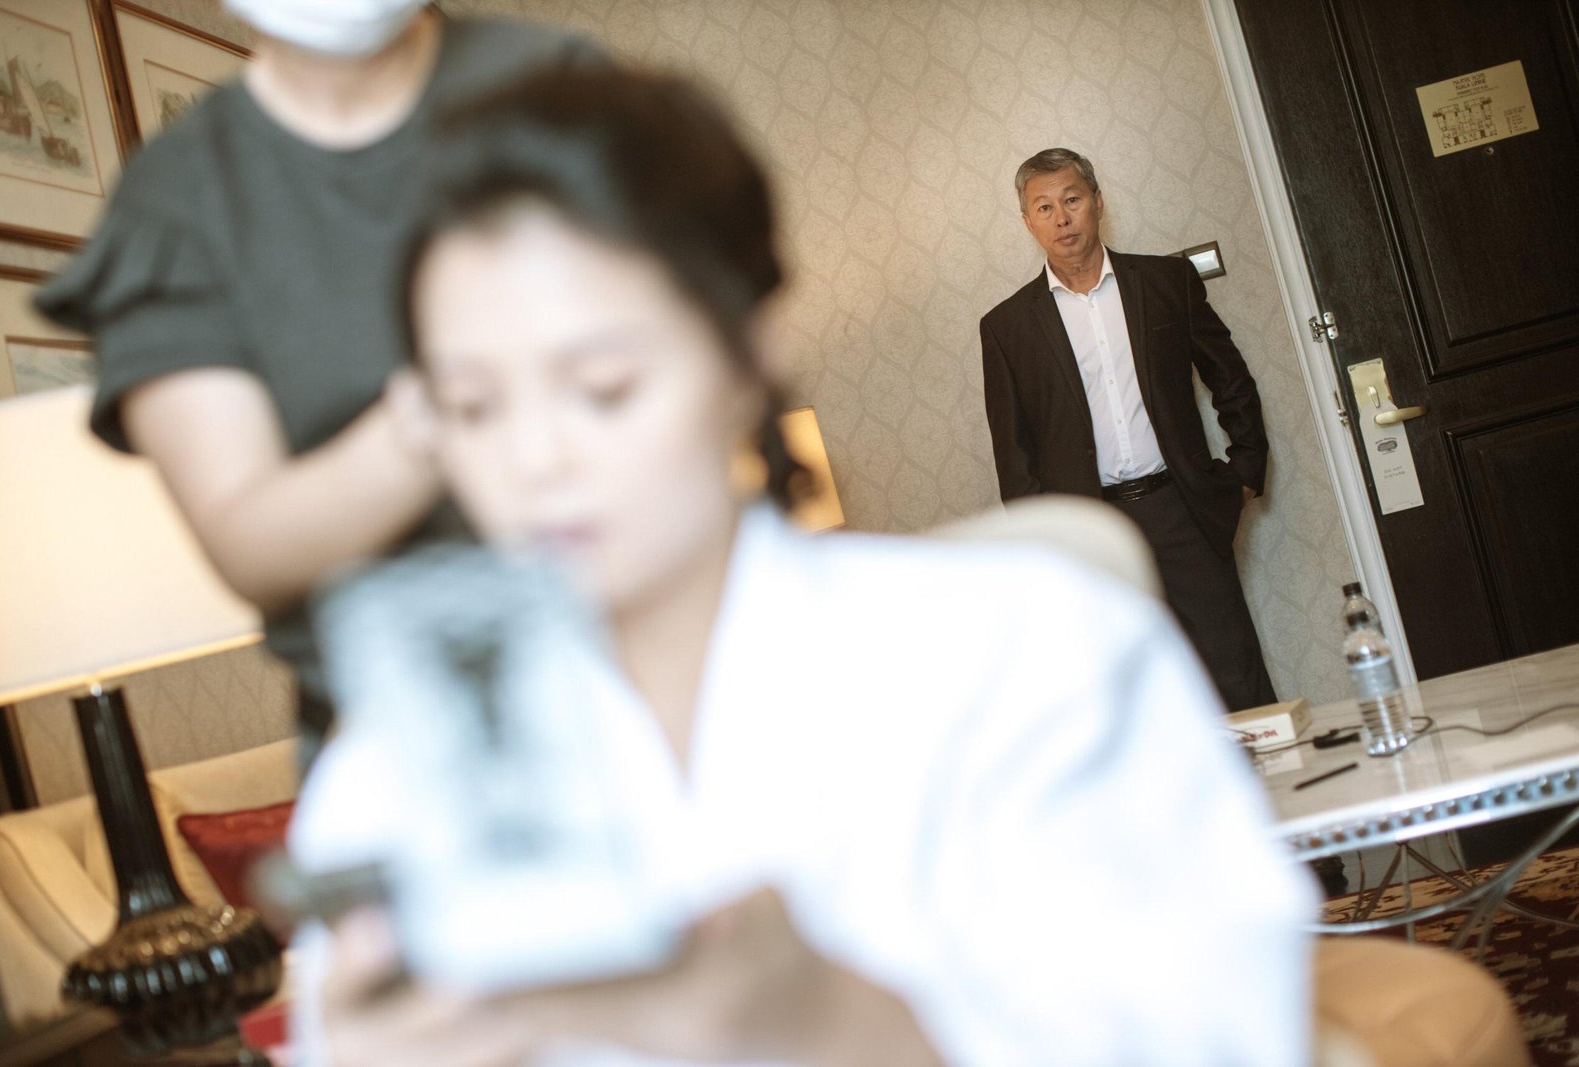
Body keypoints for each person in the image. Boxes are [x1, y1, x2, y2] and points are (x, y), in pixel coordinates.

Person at [285, 67, 1316, 1067]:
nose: (533, 458)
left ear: (745, 355)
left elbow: (1229, 1029)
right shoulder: (386, 782)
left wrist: (827, 1024)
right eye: (469, 406)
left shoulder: (1032, 651)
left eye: (600, 384)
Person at [34, 0, 601, 745]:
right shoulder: (177, 203)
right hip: (398, 733)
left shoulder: (563, 85)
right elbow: (251, 542)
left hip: (640, 662)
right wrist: (439, 409)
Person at [979, 148, 1276, 712]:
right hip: (1093, 533)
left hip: (1181, 508)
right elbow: (1012, 457)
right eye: (1044, 207)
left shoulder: (1165, 281)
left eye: (1071, 199)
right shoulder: (1006, 328)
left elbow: (1230, 377)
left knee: (1236, 679)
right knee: (1138, 700)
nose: (1061, 218)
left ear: (1097, 202)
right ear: (1027, 221)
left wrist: (1243, 473)